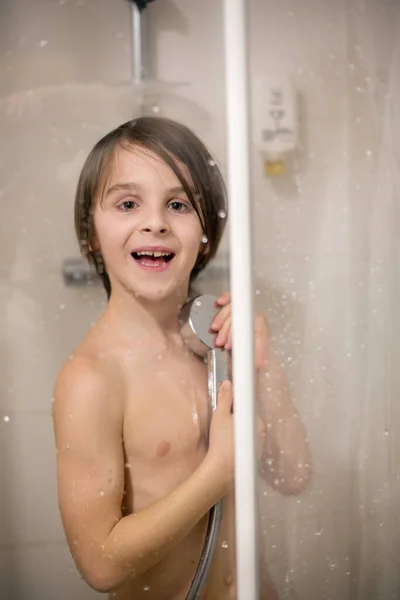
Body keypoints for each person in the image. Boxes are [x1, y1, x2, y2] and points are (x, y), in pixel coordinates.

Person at [52, 117, 312, 600]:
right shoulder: (93, 378)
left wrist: (264, 365)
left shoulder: (212, 345)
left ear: (207, 233)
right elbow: (100, 564)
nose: (156, 222)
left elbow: (293, 474)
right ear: (90, 235)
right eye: (128, 204)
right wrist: (217, 473)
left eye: (178, 204)